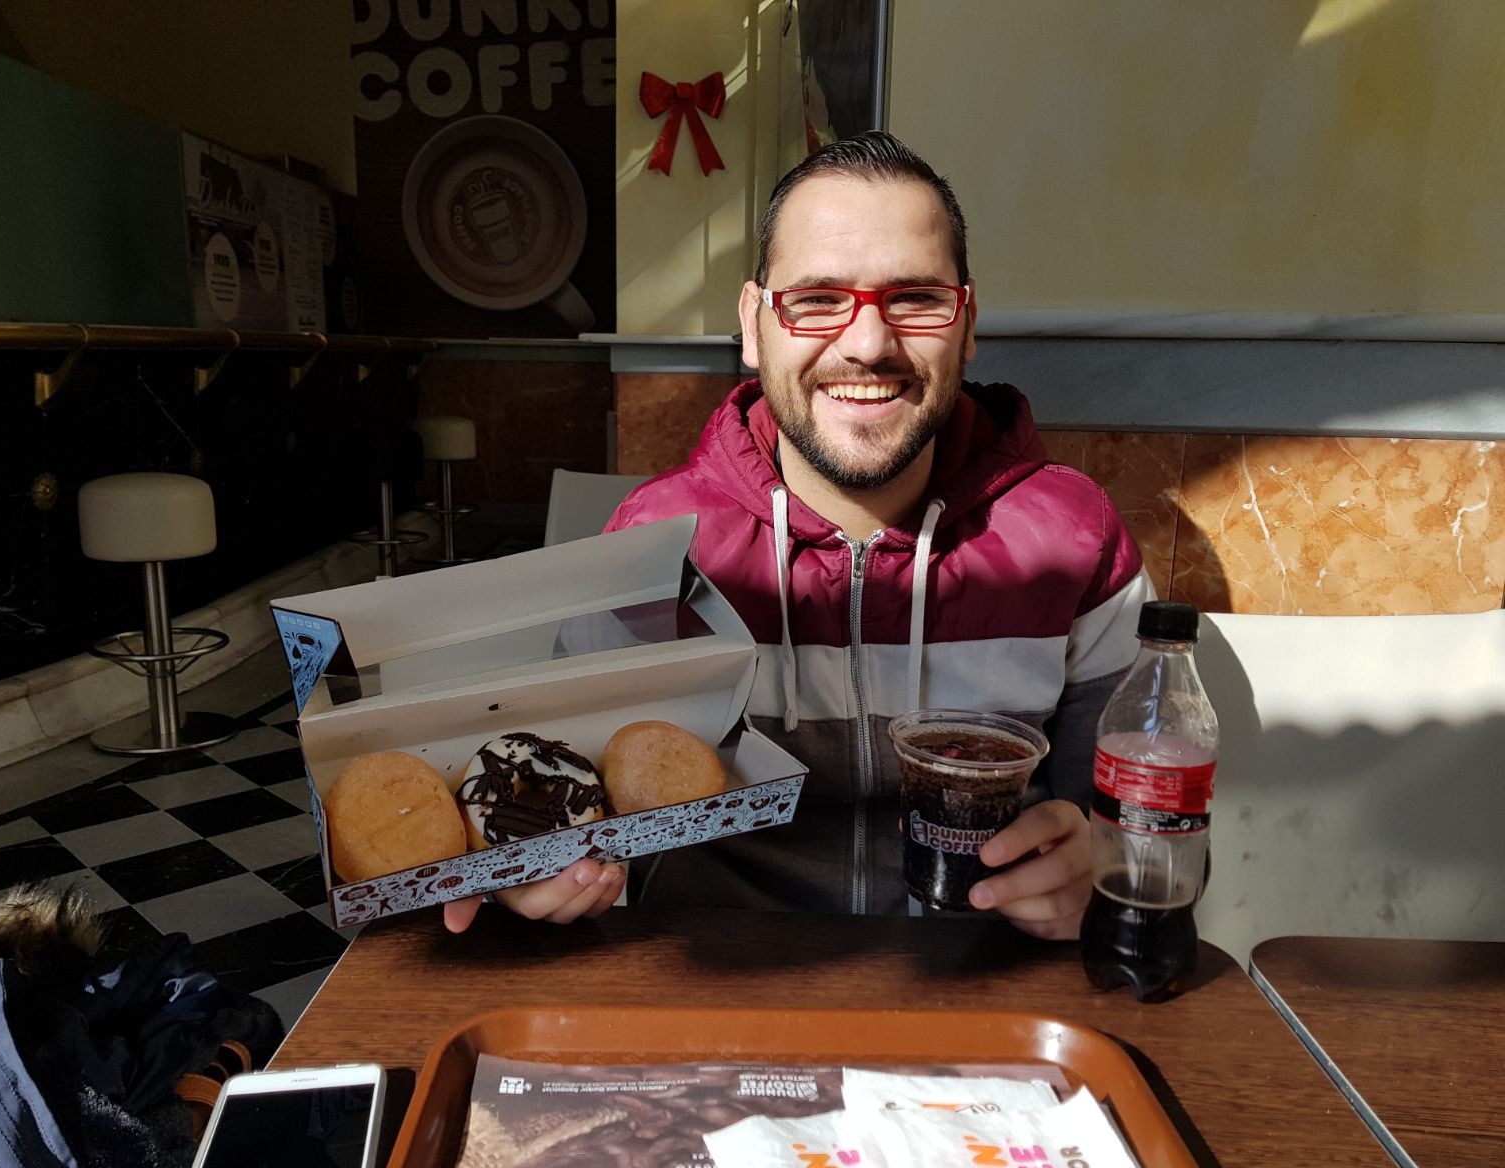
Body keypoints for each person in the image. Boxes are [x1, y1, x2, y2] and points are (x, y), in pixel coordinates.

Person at [445, 131, 1152, 940]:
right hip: (712, 979)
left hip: (982, 980)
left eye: (915, 298)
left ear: (966, 323)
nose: (868, 344)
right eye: (817, 298)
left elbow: (1143, 837)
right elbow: (559, 802)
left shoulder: (1076, 542)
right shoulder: (651, 550)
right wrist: (525, 880)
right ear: (754, 325)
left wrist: (1107, 873)